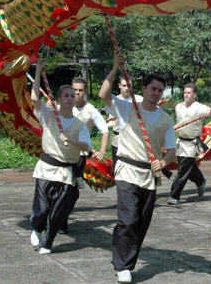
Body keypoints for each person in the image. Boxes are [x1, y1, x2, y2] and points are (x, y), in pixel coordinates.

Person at [99, 52, 176, 284]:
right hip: (126, 170)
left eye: (160, 90)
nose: (156, 93)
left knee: (140, 223)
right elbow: (103, 94)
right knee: (129, 219)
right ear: (143, 89)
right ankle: (123, 266)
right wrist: (114, 68)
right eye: (153, 88)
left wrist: (163, 162)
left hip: (149, 175)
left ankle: (125, 258)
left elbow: (171, 149)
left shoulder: (165, 119)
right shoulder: (126, 107)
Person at [29, 60, 91, 255]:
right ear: (58, 99)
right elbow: (34, 99)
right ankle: (37, 227)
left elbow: (86, 147)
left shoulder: (79, 124)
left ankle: (48, 243)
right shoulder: (48, 115)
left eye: (73, 96)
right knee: (41, 208)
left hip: (66, 172)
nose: (70, 98)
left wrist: (71, 141)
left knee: (58, 212)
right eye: (66, 95)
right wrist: (38, 72)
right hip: (46, 168)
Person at [58, 77, 110, 234]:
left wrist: (101, 151)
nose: (77, 93)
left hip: (80, 155)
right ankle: (58, 217)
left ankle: (62, 217)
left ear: (85, 92)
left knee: (71, 189)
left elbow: (105, 130)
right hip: (62, 153)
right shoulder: (64, 107)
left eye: (80, 90)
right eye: (74, 90)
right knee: (62, 186)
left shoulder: (91, 110)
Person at [168, 83, 211, 205]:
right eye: (185, 92)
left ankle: (174, 196)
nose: (186, 95)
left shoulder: (199, 107)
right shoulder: (178, 106)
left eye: (189, 93)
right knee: (188, 168)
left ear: (195, 95)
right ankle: (201, 181)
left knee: (183, 170)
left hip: (192, 144)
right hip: (180, 142)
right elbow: (181, 122)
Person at [107, 77, 143, 169]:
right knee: (117, 169)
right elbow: (112, 122)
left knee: (134, 168)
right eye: (124, 85)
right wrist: (100, 125)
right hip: (117, 141)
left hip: (134, 141)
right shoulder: (114, 101)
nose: (127, 88)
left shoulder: (139, 100)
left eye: (129, 85)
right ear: (119, 85)